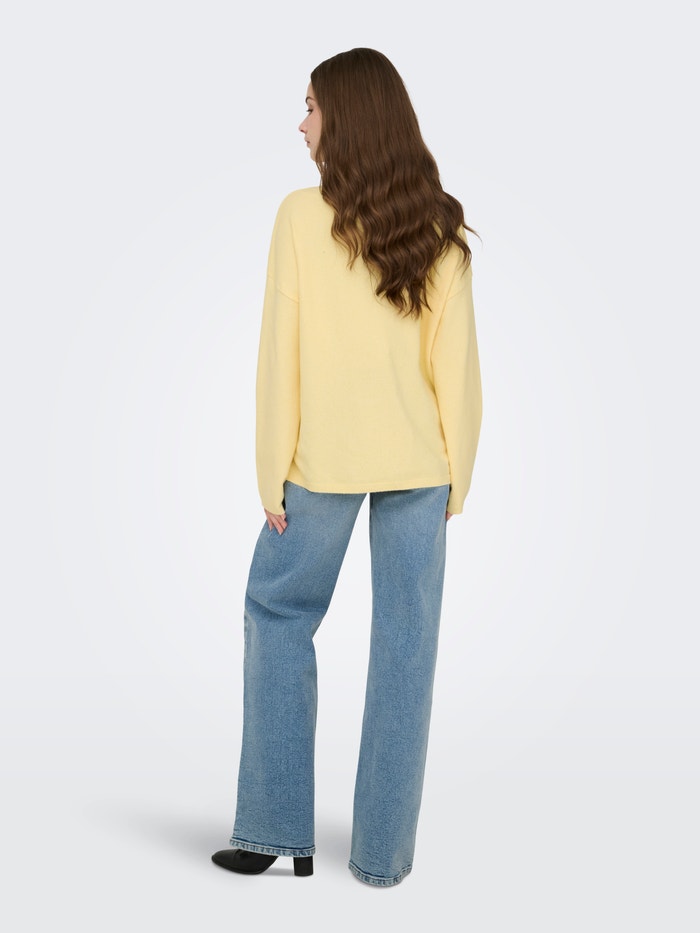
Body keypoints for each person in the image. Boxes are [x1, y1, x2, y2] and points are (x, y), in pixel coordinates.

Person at [211, 47, 482, 887]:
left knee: (277, 611)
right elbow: (457, 368)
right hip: (421, 464)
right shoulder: (438, 225)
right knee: (408, 645)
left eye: (311, 107)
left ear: (347, 117)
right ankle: (381, 859)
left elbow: (280, 354)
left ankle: (273, 831)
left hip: (321, 463)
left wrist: (272, 471)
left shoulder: (301, 217)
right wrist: (458, 476)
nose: (301, 123)